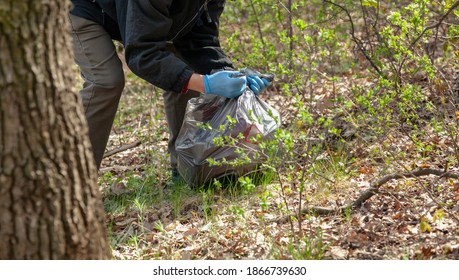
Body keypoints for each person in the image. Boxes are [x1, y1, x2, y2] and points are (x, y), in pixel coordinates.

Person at [68, 0, 271, 176]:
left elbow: (201, 39)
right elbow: (142, 54)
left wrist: (230, 72)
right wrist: (206, 83)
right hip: (87, 9)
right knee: (106, 81)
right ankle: (72, 182)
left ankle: (186, 167)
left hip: (142, 18)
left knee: (186, 66)